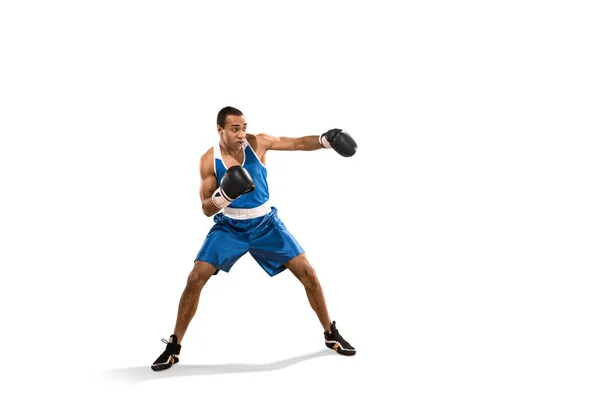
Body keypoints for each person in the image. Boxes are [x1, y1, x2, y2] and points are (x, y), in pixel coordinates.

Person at [151, 106, 358, 371]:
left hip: (266, 225)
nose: (241, 134)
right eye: (235, 129)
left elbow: (295, 143)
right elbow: (205, 208)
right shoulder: (207, 159)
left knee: (308, 273)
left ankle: (331, 333)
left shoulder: (257, 143)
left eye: (243, 128)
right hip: (229, 227)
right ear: (220, 130)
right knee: (195, 278)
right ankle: (173, 345)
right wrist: (225, 195)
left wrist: (324, 141)